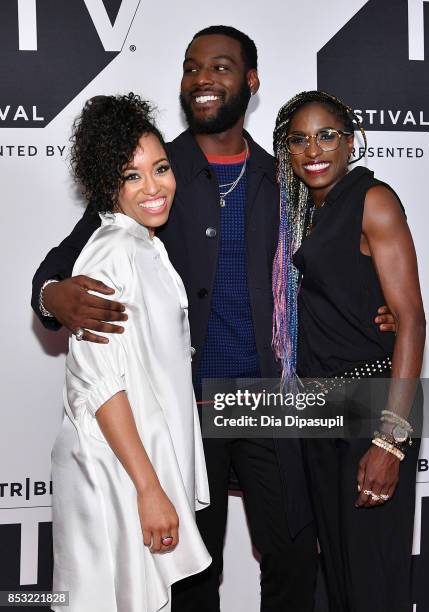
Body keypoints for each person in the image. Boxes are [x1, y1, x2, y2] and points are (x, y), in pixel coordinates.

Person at [32, 27, 395, 611]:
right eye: (191, 67)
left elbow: (336, 260)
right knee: (192, 572)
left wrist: (375, 311)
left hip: (269, 403)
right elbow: (61, 262)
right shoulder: (150, 171)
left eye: (221, 67)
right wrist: (53, 296)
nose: (203, 78)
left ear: (250, 83)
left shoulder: (286, 179)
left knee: (293, 556)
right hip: (183, 407)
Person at [50, 93, 210, 612]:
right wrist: (149, 488)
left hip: (135, 466)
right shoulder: (111, 250)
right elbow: (99, 384)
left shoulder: (145, 245)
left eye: (160, 168)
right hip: (117, 472)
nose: (153, 187)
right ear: (106, 185)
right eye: (132, 176)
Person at [272, 90, 426, 612]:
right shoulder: (305, 214)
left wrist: (390, 440)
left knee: (372, 584)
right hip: (323, 409)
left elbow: (410, 319)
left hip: (373, 406)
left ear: (351, 141)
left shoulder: (372, 199)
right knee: (340, 580)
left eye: (327, 135)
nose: (313, 149)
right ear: (287, 152)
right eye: (299, 139)